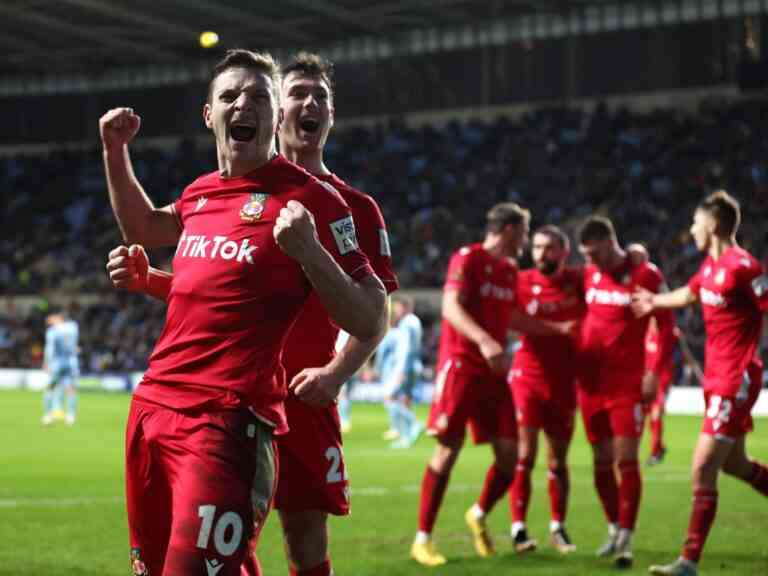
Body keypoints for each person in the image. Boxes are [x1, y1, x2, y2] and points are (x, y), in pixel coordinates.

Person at [100, 49, 387, 576]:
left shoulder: (316, 201)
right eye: (229, 96)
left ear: (273, 116)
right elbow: (142, 229)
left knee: (294, 536)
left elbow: (371, 316)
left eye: (258, 97)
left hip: (228, 419)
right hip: (152, 409)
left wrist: (310, 251)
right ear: (208, 114)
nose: (243, 105)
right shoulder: (201, 194)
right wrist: (115, 150)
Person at [410, 203, 573, 566]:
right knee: (448, 451)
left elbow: (513, 316)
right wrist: (484, 341)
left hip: (494, 376)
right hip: (462, 367)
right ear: (510, 230)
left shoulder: (508, 270)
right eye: (525, 232)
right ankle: (423, 539)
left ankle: (479, 512)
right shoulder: (467, 258)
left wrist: (556, 329)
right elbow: (451, 308)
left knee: (509, 458)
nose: (527, 240)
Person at [631, 191, 768, 576]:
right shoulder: (710, 267)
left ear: (712, 223)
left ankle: (688, 561)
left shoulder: (744, 267)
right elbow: (689, 294)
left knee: (703, 467)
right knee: (737, 465)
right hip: (716, 377)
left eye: (695, 223)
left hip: (735, 379)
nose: (691, 230)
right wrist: (653, 302)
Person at [576, 215, 675, 569]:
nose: (591, 261)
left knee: (626, 459)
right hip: (590, 384)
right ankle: (614, 527)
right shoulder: (588, 274)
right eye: (586, 255)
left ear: (610, 241)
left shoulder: (645, 275)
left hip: (626, 384)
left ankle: (627, 539)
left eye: (595, 253)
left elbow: (665, 326)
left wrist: (653, 372)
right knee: (600, 461)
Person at [507, 225, 584, 554]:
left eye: (549, 248)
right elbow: (509, 318)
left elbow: (612, 270)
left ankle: (557, 527)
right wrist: (557, 329)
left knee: (558, 460)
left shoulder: (578, 281)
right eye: (537, 247)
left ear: (564, 252)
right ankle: (519, 528)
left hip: (565, 382)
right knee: (524, 454)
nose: (540, 253)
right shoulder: (521, 281)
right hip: (527, 377)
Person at [375, 294, 423, 448]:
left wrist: (401, 371)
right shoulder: (413, 322)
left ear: (405, 307)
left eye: (397, 307)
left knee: (389, 398)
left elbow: (406, 349)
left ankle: (414, 423)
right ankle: (406, 437)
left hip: (405, 367)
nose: (395, 310)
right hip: (412, 366)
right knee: (404, 400)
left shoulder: (407, 323)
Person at [41, 307, 79, 426]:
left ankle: (48, 415)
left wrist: (46, 363)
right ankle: (71, 416)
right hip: (71, 362)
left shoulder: (52, 331)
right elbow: (74, 345)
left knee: (50, 387)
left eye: (50, 317)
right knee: (70, 389)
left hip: (57, 363)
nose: (48, 320)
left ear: (57, 317)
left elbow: (50, 349)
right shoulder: (73, 327)